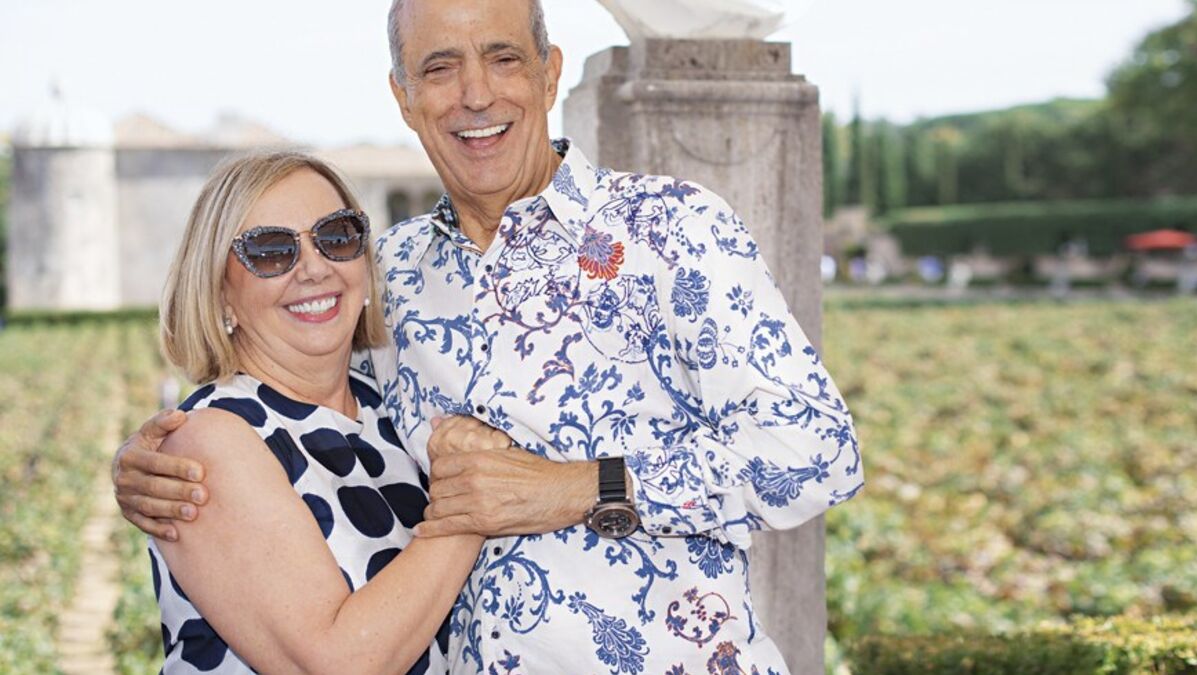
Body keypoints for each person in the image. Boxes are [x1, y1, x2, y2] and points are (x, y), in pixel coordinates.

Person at [114, 1, 865, 672]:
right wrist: (156, 460)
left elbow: (819, 452)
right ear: (404, 97)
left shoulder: (671, 229)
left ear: (549, 73)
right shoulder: (389, 272)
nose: (476, 93)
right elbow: (300, 419)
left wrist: (577, 488)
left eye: (503, 57)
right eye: (440, 68)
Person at [144, 150, 511, 673]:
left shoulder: (392, 400)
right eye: (270, 250)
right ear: (220, 292)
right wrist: (471, 502)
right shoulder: (210, 444)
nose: (314, 268)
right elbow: (340, 663)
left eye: (336, 236)